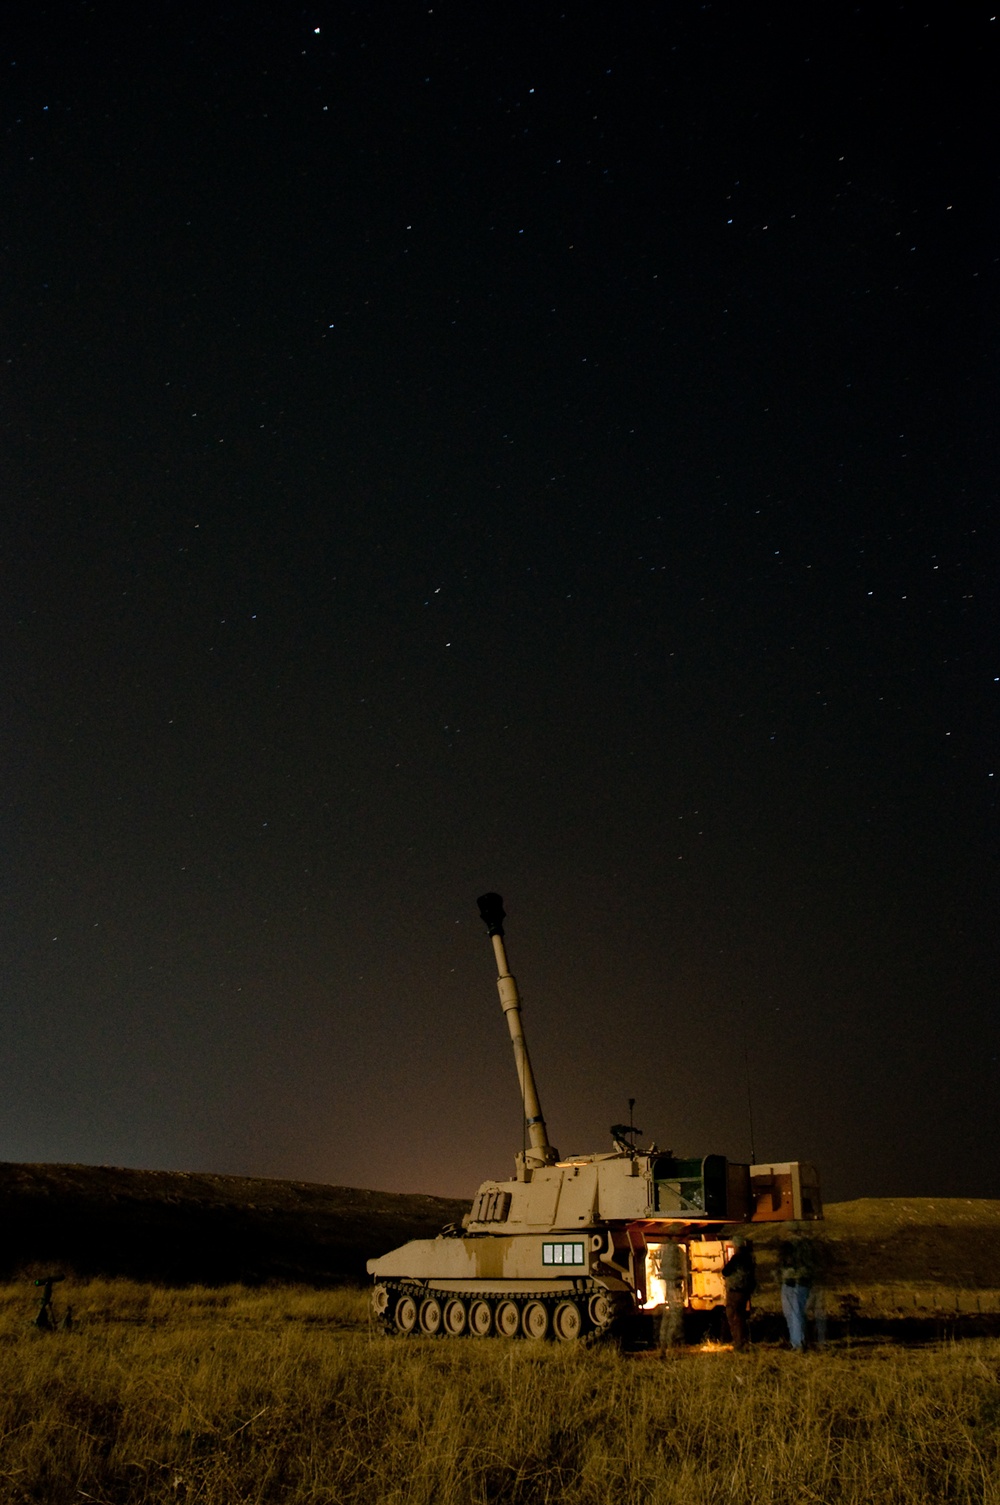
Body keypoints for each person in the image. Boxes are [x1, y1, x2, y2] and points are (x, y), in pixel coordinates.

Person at [778, 1232, 815, 1351]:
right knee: (795, 1314)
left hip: (794, 1283)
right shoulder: (807, 1248)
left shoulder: (792, 1248)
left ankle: (798, 1343)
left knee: (794, 1314)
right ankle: (798, 1342)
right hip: (800, 1282)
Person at [721, 1234, 756, 1350]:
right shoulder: (749, 1258)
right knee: (741, 1315)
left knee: (734, 1316)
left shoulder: (736, 1258)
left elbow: (725, 1271)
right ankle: (743, 1341)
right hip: (745, 1291)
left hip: (735, 1291)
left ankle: (739, 1342)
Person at [654, 1241, 686, 1348]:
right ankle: (671, 1346)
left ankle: (664, 1347)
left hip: (668, 1293)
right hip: (673, 1294)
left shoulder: (665, 1252)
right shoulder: (677, 1252)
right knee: (674, 1321)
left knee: (665, 1322)